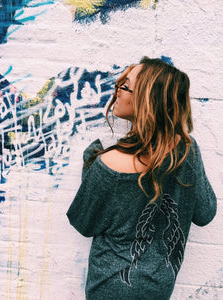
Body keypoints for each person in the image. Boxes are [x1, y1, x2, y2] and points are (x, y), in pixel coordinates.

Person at [67, 57, 217, 300]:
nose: (116, 90)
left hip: (109, 288)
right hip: (159, 288)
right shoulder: (186, 151)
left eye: (125, 86)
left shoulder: (108, 164)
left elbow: (85, 224)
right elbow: (205, 212)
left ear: (148, 101)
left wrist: (91, 161)